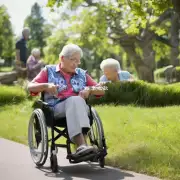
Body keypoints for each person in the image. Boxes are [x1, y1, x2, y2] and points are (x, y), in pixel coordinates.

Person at [27, 44, 105, 157]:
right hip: (56, 109)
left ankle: (83, 147)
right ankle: (81, 145)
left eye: (78, 61)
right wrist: (46, 85)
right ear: (62, 58)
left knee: (76, 101)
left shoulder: (82, 74)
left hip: (80, 108)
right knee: (74, 100)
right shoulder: (49, 71)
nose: (76, 63)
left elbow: (102, 90)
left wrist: (90, 89)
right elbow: (30, 86)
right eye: (73, 60)